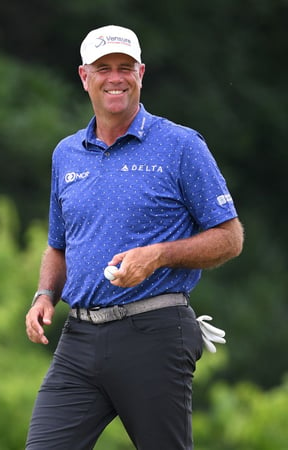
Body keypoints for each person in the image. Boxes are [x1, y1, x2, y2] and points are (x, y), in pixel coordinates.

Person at [24, 25, 243, 449]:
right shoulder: (66, 153)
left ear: (141, 73)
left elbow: (229, 236)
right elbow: (58, 244)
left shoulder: (180, 145)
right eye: (103, 68)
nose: (115, 77)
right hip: (80, 338)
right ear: (84, 77)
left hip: (155, 332)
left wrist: (158, 255)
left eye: (125, 67)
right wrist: (44, 294)